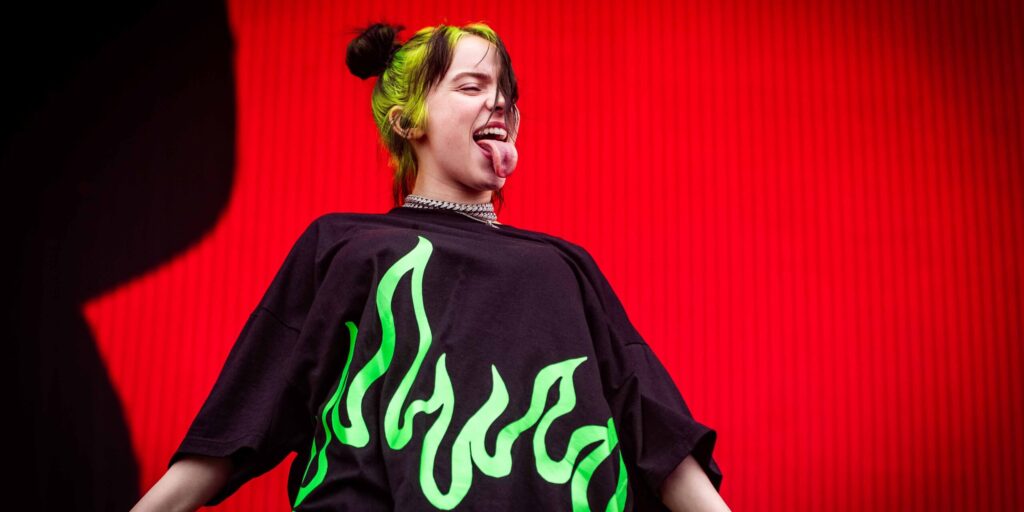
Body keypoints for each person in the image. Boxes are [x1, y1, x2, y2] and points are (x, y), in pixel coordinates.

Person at [133, 21, 728, 512]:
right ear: (408, 121)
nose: (499, 101)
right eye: (471, 86)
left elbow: (656, 430)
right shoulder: (345, 246)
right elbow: (238, 421)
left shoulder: (563, 267)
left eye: (506, 92)